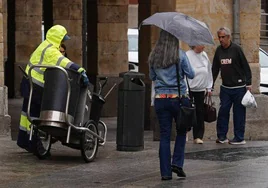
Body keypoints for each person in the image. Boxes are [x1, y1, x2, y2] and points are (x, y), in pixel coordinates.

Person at [17, 25, 89, 153]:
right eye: (62, 39)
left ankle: (24, 140)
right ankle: (34, 144)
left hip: (29, 83)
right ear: (57, 38)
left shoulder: (44, 45)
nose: (63, 42)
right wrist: (81, 70)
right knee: (38, 114)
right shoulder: (51, 50)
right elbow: (64, 62)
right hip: (36, 84)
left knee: (27, 113)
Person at [149, 30, 195, 180]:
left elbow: (152, 76)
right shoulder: (180, 55)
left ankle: (165, 173)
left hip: (161, 99)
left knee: (164, 136)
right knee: (182, 132)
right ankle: (177, 163)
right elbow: (191, 74)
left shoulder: (154, 55)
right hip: (179, 99)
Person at [212, 27, 252, 145]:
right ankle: (221, 136)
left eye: (223, 37)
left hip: (239, 88)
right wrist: (211, 85)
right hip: (226, 88)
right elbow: (214, 69)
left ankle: (239, 137)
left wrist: (248, 83)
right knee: (223, 111)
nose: (221, 39)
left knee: (239, 113)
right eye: (219, 37)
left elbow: (246, 67)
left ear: (229, 37)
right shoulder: (219, 51)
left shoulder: (237, 49)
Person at [186, 45, 213, 144]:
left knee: (200, 112)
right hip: (190, 89)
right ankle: (186, 131)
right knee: (188, 112)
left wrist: (209, 86)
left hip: (201, 89)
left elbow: (209, 71)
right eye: (201, 44)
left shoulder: (204, 55)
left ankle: (198, 136)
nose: (203, 46)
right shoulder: (188, 55)